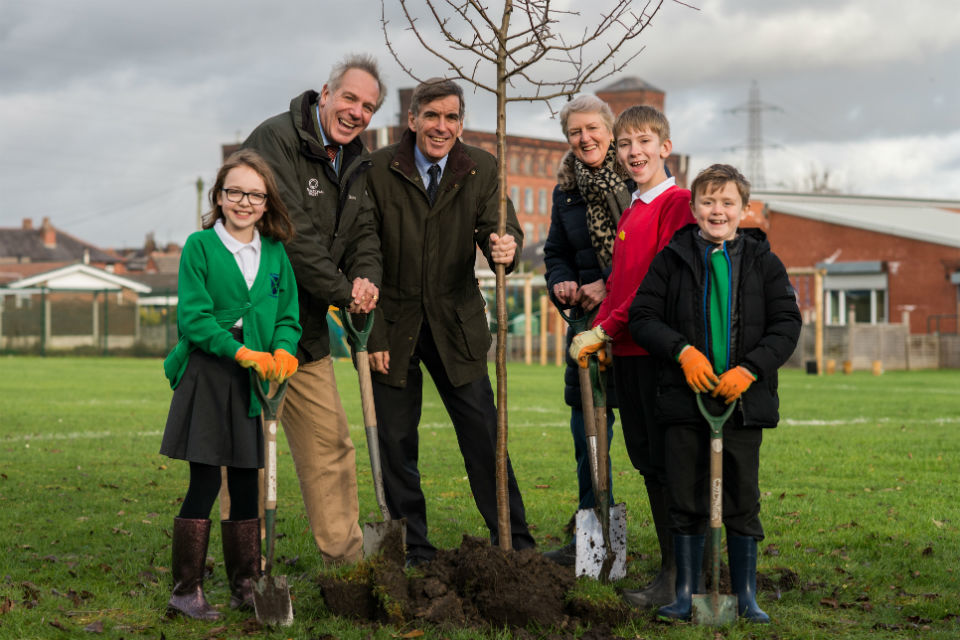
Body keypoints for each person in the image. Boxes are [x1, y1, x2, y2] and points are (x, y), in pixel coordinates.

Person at [365, 78, 536, 567]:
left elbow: (499, 225)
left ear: (462, 123)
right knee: (397, 441)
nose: (442, 126)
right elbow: (363, 249)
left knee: (484, 434)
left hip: (456, 323)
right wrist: (373, 331)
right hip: (393, 324)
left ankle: (515, 541)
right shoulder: (378, 169)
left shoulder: (480, 166)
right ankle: (414, 548)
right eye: (433, 116)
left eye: (452, 117)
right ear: (413, 119)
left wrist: (507, 247)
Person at [629, 164, 801, 622]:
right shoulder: (672, 258)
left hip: (742, 404)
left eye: (727, 202)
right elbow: (643, 316)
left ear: (744, 209)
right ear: (693, 208)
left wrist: (750, 369)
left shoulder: (764, 262)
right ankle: (686, 593)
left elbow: (787, 325)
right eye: (708, 202)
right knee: (684, 496)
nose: (717, 211)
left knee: (742, 498)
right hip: (685, 401)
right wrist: (683, 352)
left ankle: (745, 597)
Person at [242, 54, 384, 565]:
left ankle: (345, 565)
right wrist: (343, 292)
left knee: (331, 446)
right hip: (253, 327)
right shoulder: (273, 140)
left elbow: (363, 230)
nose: (357, 111)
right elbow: (291, 231)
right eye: (350, 98)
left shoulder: (357, 161)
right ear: (325, 93)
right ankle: (247, 568)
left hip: (304, 332)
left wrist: (365, 278)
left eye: (368, 106)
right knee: (246, 457)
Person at [160, 149, 301, 619]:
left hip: (254, 380)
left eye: (254, 194)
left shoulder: (277, 252)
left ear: (267, 203)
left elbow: (287, 316)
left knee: (246, 479)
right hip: (210, 369)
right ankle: (186, 591)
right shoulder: (199, 248)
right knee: (204, 478)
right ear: (219, 196)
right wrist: (239, 349)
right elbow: (194, 319)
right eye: (234, 192)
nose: (244, 201)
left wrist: (282, 349)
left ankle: (246, 584)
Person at [569, 105, 694, 606]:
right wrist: (602, 333)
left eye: (644, 141)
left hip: (659, 352)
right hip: (628, 352)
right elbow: (619, 284)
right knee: (646, 461)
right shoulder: (632, 209)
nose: (633, 152)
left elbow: (655, 284)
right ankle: (672, 569)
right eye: (624, 145)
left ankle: (681, 573)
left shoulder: (677, 203)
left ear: (665, 147)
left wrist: (609, 329)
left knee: (669, 463)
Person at [541, 94, 633, 566]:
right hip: (585, 328)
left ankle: (680, 543)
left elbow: (648, 258)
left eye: (593, 128)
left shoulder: (635, 182)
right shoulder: (565, 191)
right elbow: (555, 249)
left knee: (647, 442)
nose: (585, 138)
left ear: (610, 130)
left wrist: (607, 283)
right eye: (575, 131)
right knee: (588, 433)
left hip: (635, 327)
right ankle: (595, 540)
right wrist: (561, 279)